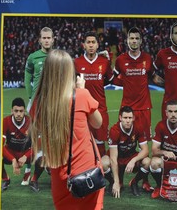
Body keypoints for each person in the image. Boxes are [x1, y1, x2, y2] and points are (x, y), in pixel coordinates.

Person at [30, 49, 104, 210]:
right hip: (88, 173)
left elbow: (38, 128)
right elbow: (98, 123)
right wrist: (82, 89)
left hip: (60, 177)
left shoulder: (39, 103)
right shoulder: (81, 95)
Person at [114, 27, 155, 191]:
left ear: (141, 40)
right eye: (131, 38)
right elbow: (115, 78)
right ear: (127, 40)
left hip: (144, 108)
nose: (134, 41)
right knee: (121, 145)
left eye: (137, 38)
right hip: (127, 109)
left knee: (144, 146)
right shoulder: (120, 60)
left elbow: (151, 76)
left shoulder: (148, 59)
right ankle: (120, 180)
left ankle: (143, 181)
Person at [75, 31, 116, 157]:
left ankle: (100, 171)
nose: (91, 45)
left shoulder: (104, 62)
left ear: (98, 45)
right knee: (83, 141)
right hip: (83, 109)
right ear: (84, 45)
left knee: (100, 142)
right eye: (88, 42)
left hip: (100, 108)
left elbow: (110, 79)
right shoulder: (76, 63)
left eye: (93, 42)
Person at [24, 26, 54, 191]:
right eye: (44, 38)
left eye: (49, 38)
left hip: (54, 104)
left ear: (53, 39)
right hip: (37, 103)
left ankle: (51, 169)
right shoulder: (33, 57)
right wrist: (30, 96)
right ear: (40, 39)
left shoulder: (57, 57)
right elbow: (27, 75)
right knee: (37, 141)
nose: (46, 40)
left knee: (54, 139)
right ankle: (34, 177)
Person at [105, 106, 151, 198]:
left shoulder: (138, 127)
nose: (128, 120)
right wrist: (116, 182)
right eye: (125, 118)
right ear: (120, 118)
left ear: (133, 118)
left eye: (130, 118)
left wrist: (133, 160)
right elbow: (113, 158)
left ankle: (134, 182)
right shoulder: (114, 131)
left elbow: (145, 150)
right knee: (103, 163)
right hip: (118, 158)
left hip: (130, 156)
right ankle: (113, 182)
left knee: (148, 162)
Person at [2, 98, 32, 191]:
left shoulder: (30, 122)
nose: (18, 114)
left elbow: (37, 145)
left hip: (25, 152)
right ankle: (5, 179)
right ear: (12, 111)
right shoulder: (5, 121)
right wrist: (13, 159)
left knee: (42, 157)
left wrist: (26, 156)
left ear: (24, 111)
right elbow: (0, 146)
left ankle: (32, 177)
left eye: (21, 111)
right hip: (11, 152)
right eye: (16, 111)